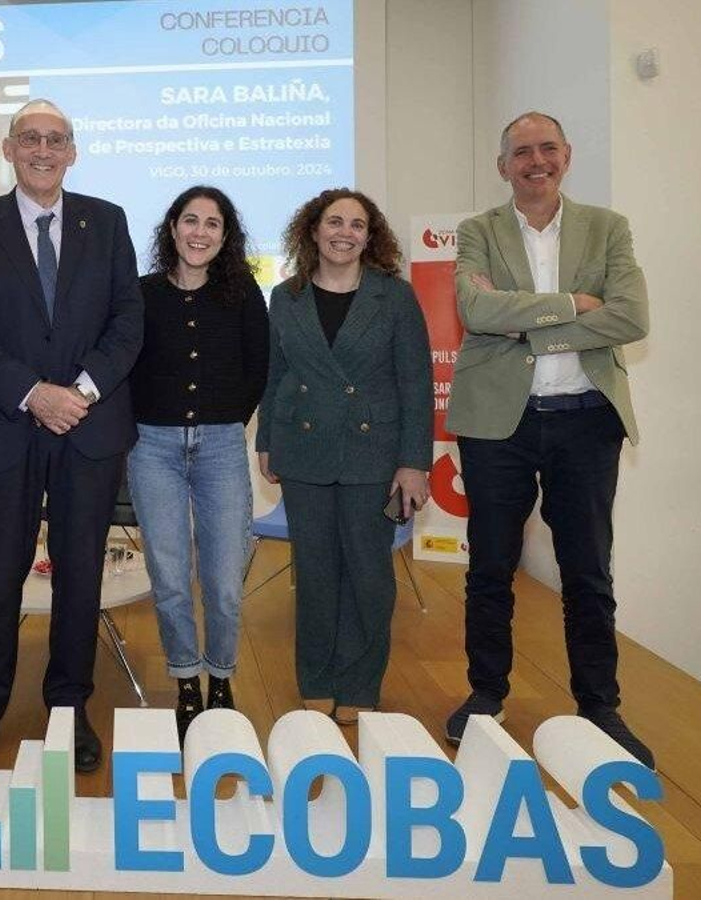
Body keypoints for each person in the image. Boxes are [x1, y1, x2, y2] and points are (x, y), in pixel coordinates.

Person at [0, 99, 143, 780]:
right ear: (8, 148)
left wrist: (78, 393)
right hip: (3, 425)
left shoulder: (108, 222)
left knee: (80, 574)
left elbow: (127, 321)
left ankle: (68, 707)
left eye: (56, 139)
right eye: (30, 138)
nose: (43, 149)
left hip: (89, 428)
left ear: (73, 151)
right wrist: (35, 394)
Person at [445, 112, 653, 768]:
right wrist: (575, 305)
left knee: (588, 568)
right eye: (521, 152)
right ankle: (486, 693)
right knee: (489, 566)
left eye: (547, 148)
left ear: (566, 155)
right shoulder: (478, 230)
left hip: (587, 419)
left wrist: (527, 323)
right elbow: (476, 312)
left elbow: (631, 316)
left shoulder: (607, 227)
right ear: (503, 166)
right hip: (498, 425)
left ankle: (599, 704)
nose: (536, 160)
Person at [255, 188, 433, 725]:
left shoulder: (394, 297)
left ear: (369, 236)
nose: (344, 233)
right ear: (313, 230)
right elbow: (276, 373)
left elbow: (416, 382)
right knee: (313, 573)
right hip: (303, 449)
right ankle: (317, 679)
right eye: (335, 222)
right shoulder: (285, 296)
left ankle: (358, 681)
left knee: (367, 574)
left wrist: (413, 462)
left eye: (357, 225)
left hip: (373, 453)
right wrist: (267, 438)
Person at [128, 186, 268, 741]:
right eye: (191, 220)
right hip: (152, 448)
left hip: (220, 447)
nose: (200, 232)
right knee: (168, 576)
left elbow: (258, 368)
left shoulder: (242, 293)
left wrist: (224, 416)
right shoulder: (141, 294)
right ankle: (186, 677)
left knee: (224, 581)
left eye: (213, 224)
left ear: (225, 237)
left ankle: (222, 676)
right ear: (172, 229)